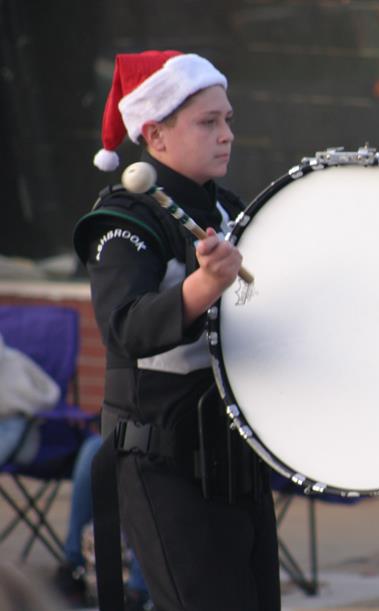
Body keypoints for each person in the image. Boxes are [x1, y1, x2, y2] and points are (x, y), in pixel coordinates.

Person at [72, 50, 280, 610]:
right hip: (165, 463)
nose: (226, 135)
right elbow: (125, 328)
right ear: (154, 136)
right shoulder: (124, 220)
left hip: (235, 457)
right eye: (208, 122)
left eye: (228, 120)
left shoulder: (230, 209)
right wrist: (203, 285)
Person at [53, 433, 151, 610]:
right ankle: (73, 567)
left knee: (146, 459)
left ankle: (139, 591)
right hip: (130, 430)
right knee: (95, 448)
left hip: (166, 442)